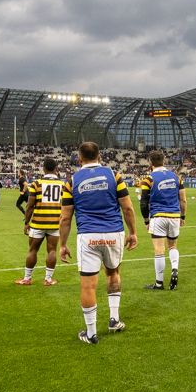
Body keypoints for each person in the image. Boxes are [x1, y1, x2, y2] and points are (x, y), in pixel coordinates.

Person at [58, 142, 138, 344]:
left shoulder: (72, 181)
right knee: (113, 274)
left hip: (88, 236)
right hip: (114, 234)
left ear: (79, 159)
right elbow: (128, 208)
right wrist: (133, 233)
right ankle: (114, 319)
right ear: (100, 157)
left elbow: (65, 218)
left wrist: (63, 245)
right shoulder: (114, 176)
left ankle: (91, 333)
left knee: (88, 286)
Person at [139, 151, 185, 290]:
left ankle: (159, 283)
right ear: (164, 162)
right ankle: (174, 268)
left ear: (150, 163)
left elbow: (143, 203)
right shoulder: (176, 177)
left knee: (159, 251)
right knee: (172, 246)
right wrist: (182, 216)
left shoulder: (148, 179)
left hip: (158, 217)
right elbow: (183, 199)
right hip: (174, 216)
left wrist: (146, 221)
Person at [18, 158, 65, 286]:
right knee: (52, 251)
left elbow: (30, 205)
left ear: (43, 169)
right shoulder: (62, 185)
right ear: (56, 169)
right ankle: (48, 280)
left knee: (33, 250)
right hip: (55, 224)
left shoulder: (36, 184)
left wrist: (26, 222)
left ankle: (27, 279)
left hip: (38, 223)